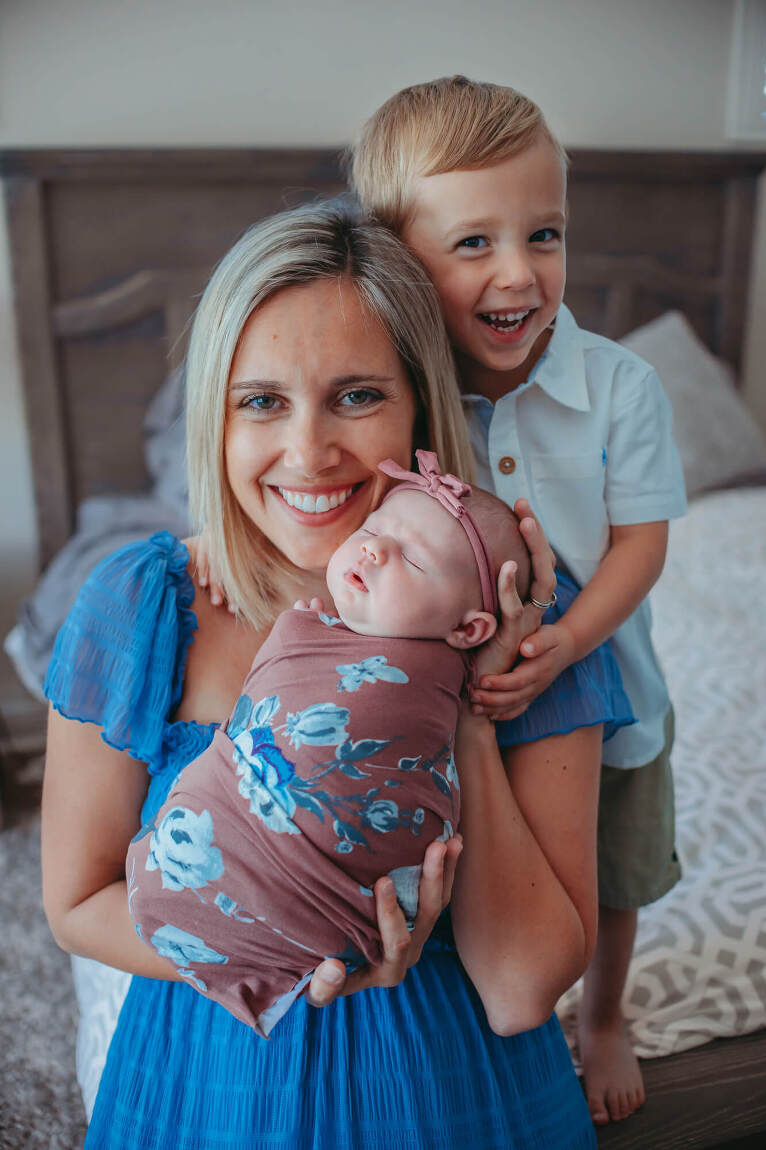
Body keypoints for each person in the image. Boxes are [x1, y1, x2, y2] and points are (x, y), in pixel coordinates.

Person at [42, 200, 629, 1150]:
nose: (309, 453)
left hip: (452, 1084)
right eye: (261, 401)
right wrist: (274, 940)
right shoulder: (143, 604)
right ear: (215, 418)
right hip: (212, 1075)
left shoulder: (525, 618)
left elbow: (523, 989)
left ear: (419, 411)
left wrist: (464, 705)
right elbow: (74, 906)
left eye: (358, 396)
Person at [351, 74, 688, 1125]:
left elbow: (641, 543)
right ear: (399, 259)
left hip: (599, 681)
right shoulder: (396, 388)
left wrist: (571, 637)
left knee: (616, 868)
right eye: (473, 244)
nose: (520, 272)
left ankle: (602, 1016)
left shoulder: (620, 385)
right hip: (444, 695)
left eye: (544, 234)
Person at [127, 453, 530, 1034]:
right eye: (372, 531)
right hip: (221, 889)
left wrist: (482, 693)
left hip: (343, 915)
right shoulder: (292, 625)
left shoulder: (450, 680)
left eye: (412, 558)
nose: (374, 550)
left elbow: (521, 1000)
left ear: (469, 630)